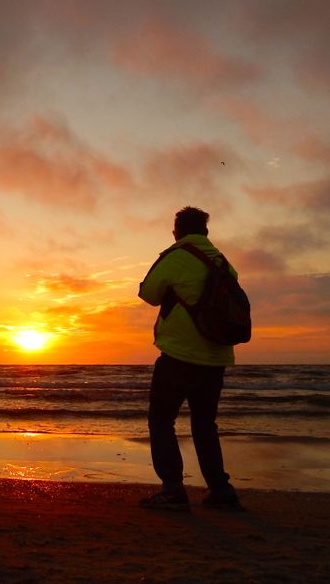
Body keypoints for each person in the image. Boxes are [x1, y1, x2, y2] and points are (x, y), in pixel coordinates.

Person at [137, 206, 242, 511]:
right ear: (206, 232)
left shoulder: (176, 255)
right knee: (205, 423)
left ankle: (173, 490)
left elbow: (149, 293)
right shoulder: (222, 262)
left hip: (180, 353)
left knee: (161, 420)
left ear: (176, 232)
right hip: (216, 355)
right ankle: (220, 489)